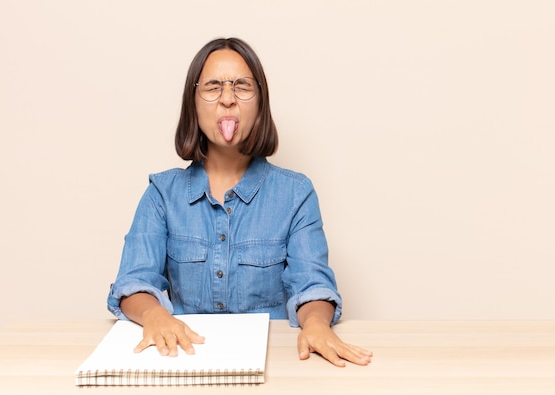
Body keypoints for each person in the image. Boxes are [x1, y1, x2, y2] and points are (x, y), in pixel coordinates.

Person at [107, 37, 372, 367]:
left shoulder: (296, 193)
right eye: (213, 87)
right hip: (186, 359)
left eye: (242, 87)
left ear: (260, 102)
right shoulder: (162, 193)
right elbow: (134, 281)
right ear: (193, 102)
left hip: (272, 366)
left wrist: (316, 325)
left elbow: (312, 284)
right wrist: (154, 315)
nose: (228, 99)